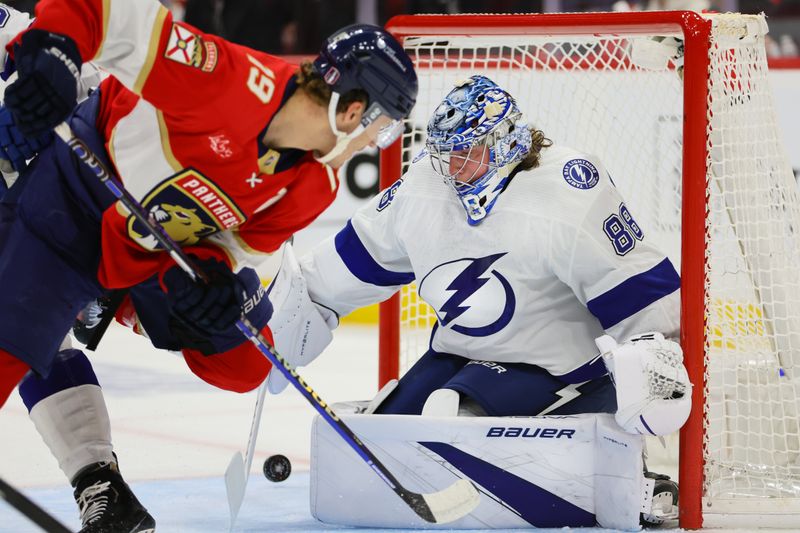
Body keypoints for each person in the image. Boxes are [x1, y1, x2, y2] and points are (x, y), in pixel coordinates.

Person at [0, 0, 417, 531]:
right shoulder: (229, 80)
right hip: (72, 200)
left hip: (154, 244)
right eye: (380, 131)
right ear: (355, 111)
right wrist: (55, 50)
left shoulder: (314, 186)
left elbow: (237, 246)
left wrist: (216, 274)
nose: (372, 146)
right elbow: (103, 11)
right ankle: (98, 482)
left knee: (243, 360)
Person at [266, 75, 690, 526]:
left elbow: (641, 289)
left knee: (450, 415)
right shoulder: (425, 184)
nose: (453, 169)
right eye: (446, 155)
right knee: (383, 434)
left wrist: (654, 362)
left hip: (560, 368)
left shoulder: (567, 191)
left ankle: (608, 471)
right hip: (458, 355)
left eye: (467, 153)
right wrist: (294, 302)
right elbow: (356, 258)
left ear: (504, 142)